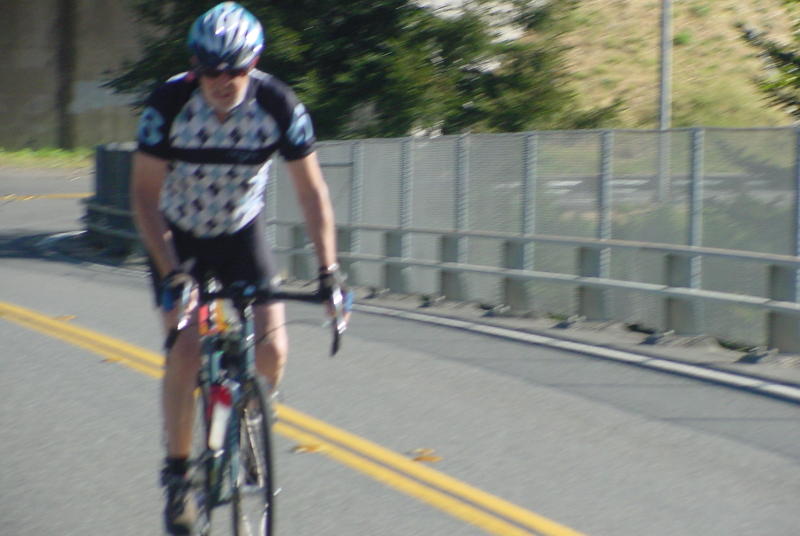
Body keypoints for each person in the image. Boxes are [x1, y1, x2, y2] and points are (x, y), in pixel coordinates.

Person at [130, 3, 341, 533]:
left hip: (241, 232)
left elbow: (312, 192)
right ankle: (179, 477)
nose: (224, 81)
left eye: (237, 69)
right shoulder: (168, 104)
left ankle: (250, 413)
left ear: (255, 63)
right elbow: (144, 197)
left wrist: (329, 271)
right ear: (195, 67)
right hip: (178, 237)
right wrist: (172, 270)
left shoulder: (278, 104)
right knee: (186, 350)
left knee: (273, 349)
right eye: (212, 70)